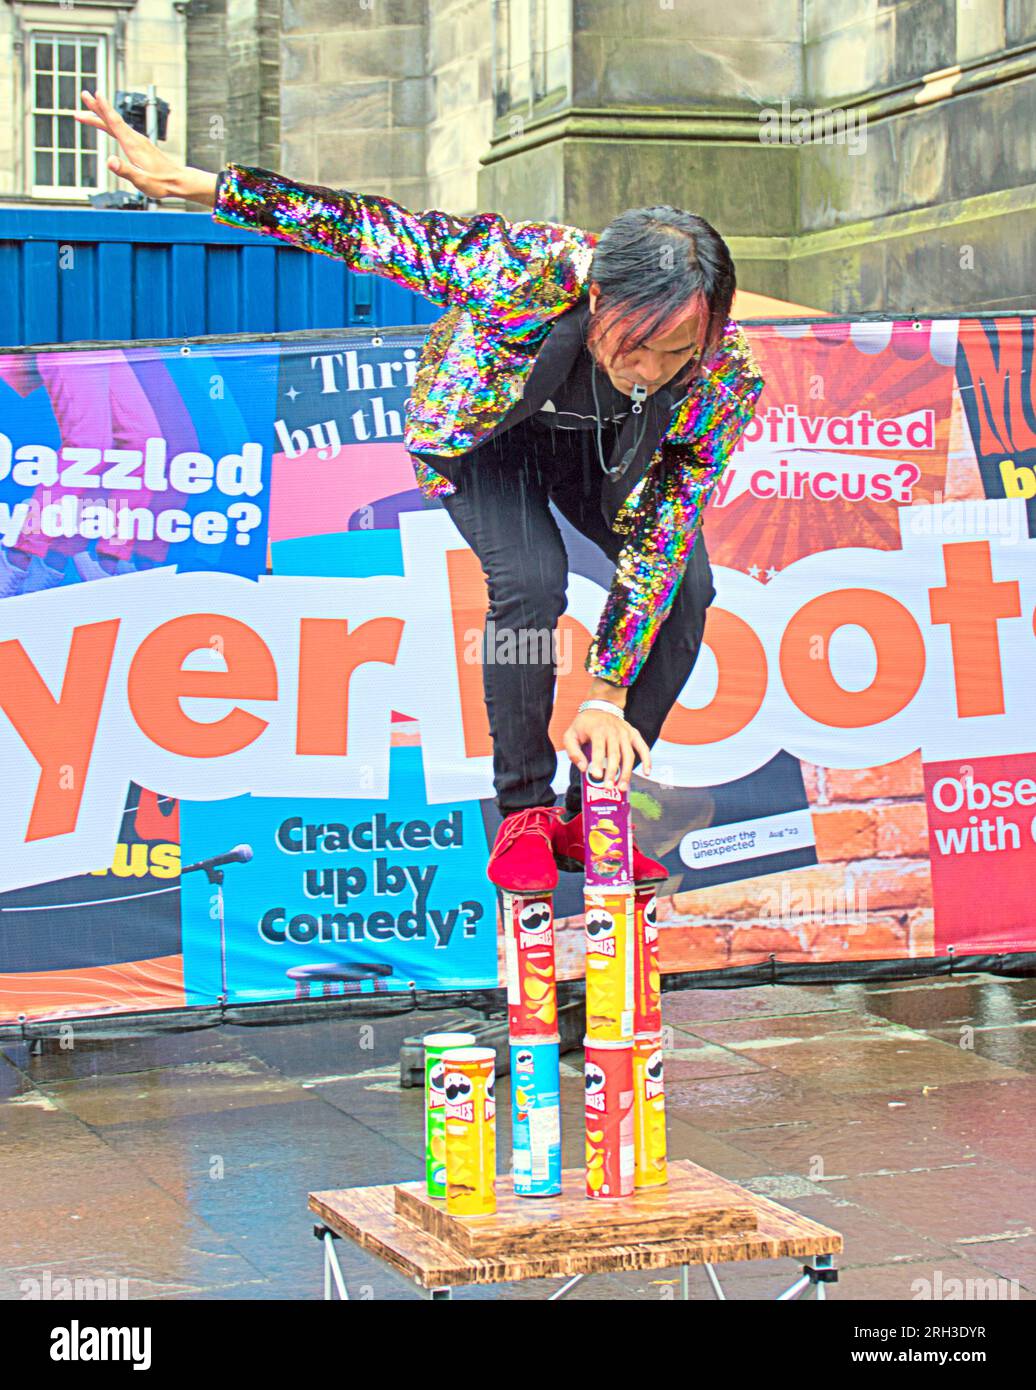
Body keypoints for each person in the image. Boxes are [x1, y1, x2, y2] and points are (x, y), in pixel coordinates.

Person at [74, 91, 765, 894]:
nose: (649, 370)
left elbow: (660, 536)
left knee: (686, 590)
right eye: (635, 347)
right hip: (488, 441)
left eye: (675, 352)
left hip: (603, 456)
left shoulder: (724, 378)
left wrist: (606, 694)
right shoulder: (527, 268)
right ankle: (526, 812)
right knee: (531, 583)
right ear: (599, 300)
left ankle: (597, 810)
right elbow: (371, 230)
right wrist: (207, 187)